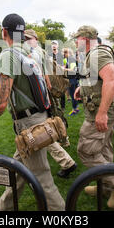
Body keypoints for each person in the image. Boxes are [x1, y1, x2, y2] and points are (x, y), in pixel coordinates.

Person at [0, 14, 66, 211]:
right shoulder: (31, 53)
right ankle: (3, 207)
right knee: (19, 168)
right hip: (40, 117)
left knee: (41, 176)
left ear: (4, 32)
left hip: (29, 122)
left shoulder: (9, 55)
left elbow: (1, 102)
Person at [74, 25, 114, 210]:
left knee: (87, 151)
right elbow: (97, 79)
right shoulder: (94, 54)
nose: (76, 43)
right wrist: (81, 89)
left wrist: (102, 113)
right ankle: (107, 187)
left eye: (77, 39)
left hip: (99, 112)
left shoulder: (97, 54)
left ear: (85, 39)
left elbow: (111, 79)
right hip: (102, 110)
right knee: (104, 150)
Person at [24, 29, 77, 178]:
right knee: (44, 124)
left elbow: (45, 72)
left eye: (29, 38)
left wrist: (48, 88)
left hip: (39, 95)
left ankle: (66, 156)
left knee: (42, 126)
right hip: (42, 92)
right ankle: (65, 155)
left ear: (35, 38)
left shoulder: (37, 52)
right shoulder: (36, 51)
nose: (26, 40)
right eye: (24, 38)